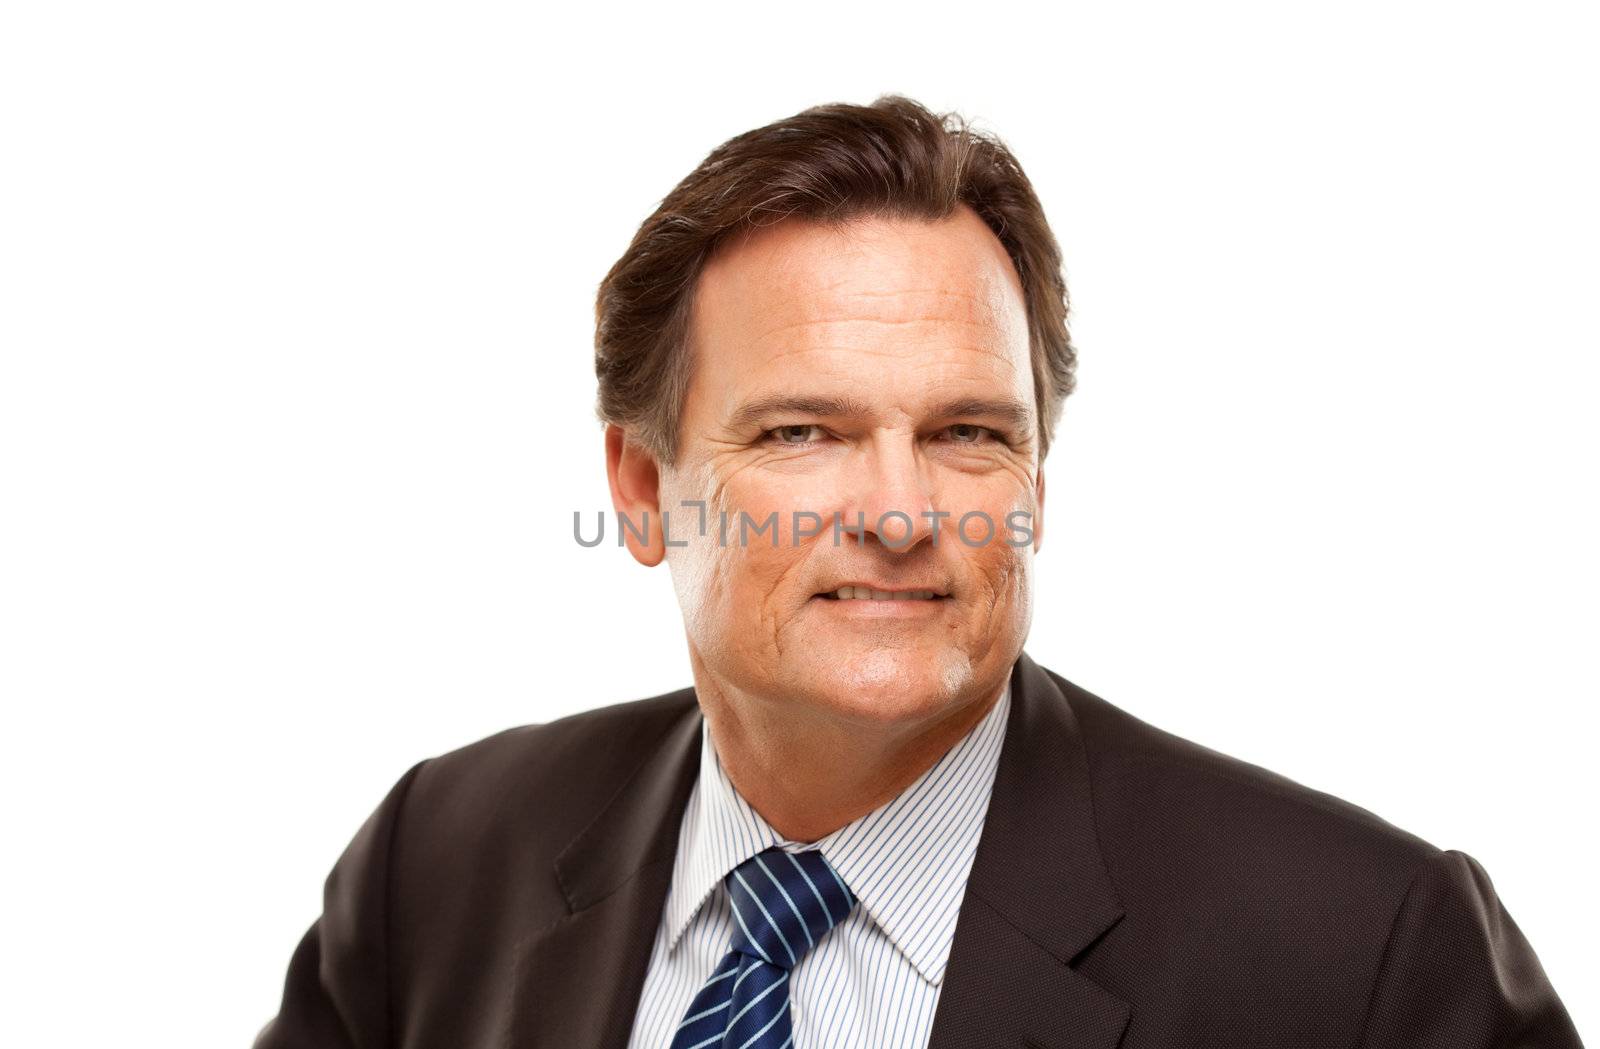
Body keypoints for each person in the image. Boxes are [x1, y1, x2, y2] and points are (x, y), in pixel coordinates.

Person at [255, 95, 1582, 1048]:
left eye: (966, 435)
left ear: (1037, 486)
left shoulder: (1363, 955)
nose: (898, 511)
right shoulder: (437, 865)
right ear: (645, 488)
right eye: (803, 433)